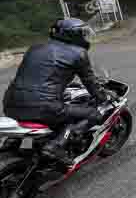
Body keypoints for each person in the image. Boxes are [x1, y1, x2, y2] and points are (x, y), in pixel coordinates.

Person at [2, 19, 107, 165]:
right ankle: (55, 146)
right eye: (82, 34)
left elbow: (40, 75)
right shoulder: (78, 53)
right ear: (73, 35)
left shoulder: (35, 48)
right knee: (91, 114)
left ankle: (16, 142)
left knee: (54, 109)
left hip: (11, 103)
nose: (85, 37)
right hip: (43, 108)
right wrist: (103, 97)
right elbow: (90, 82)